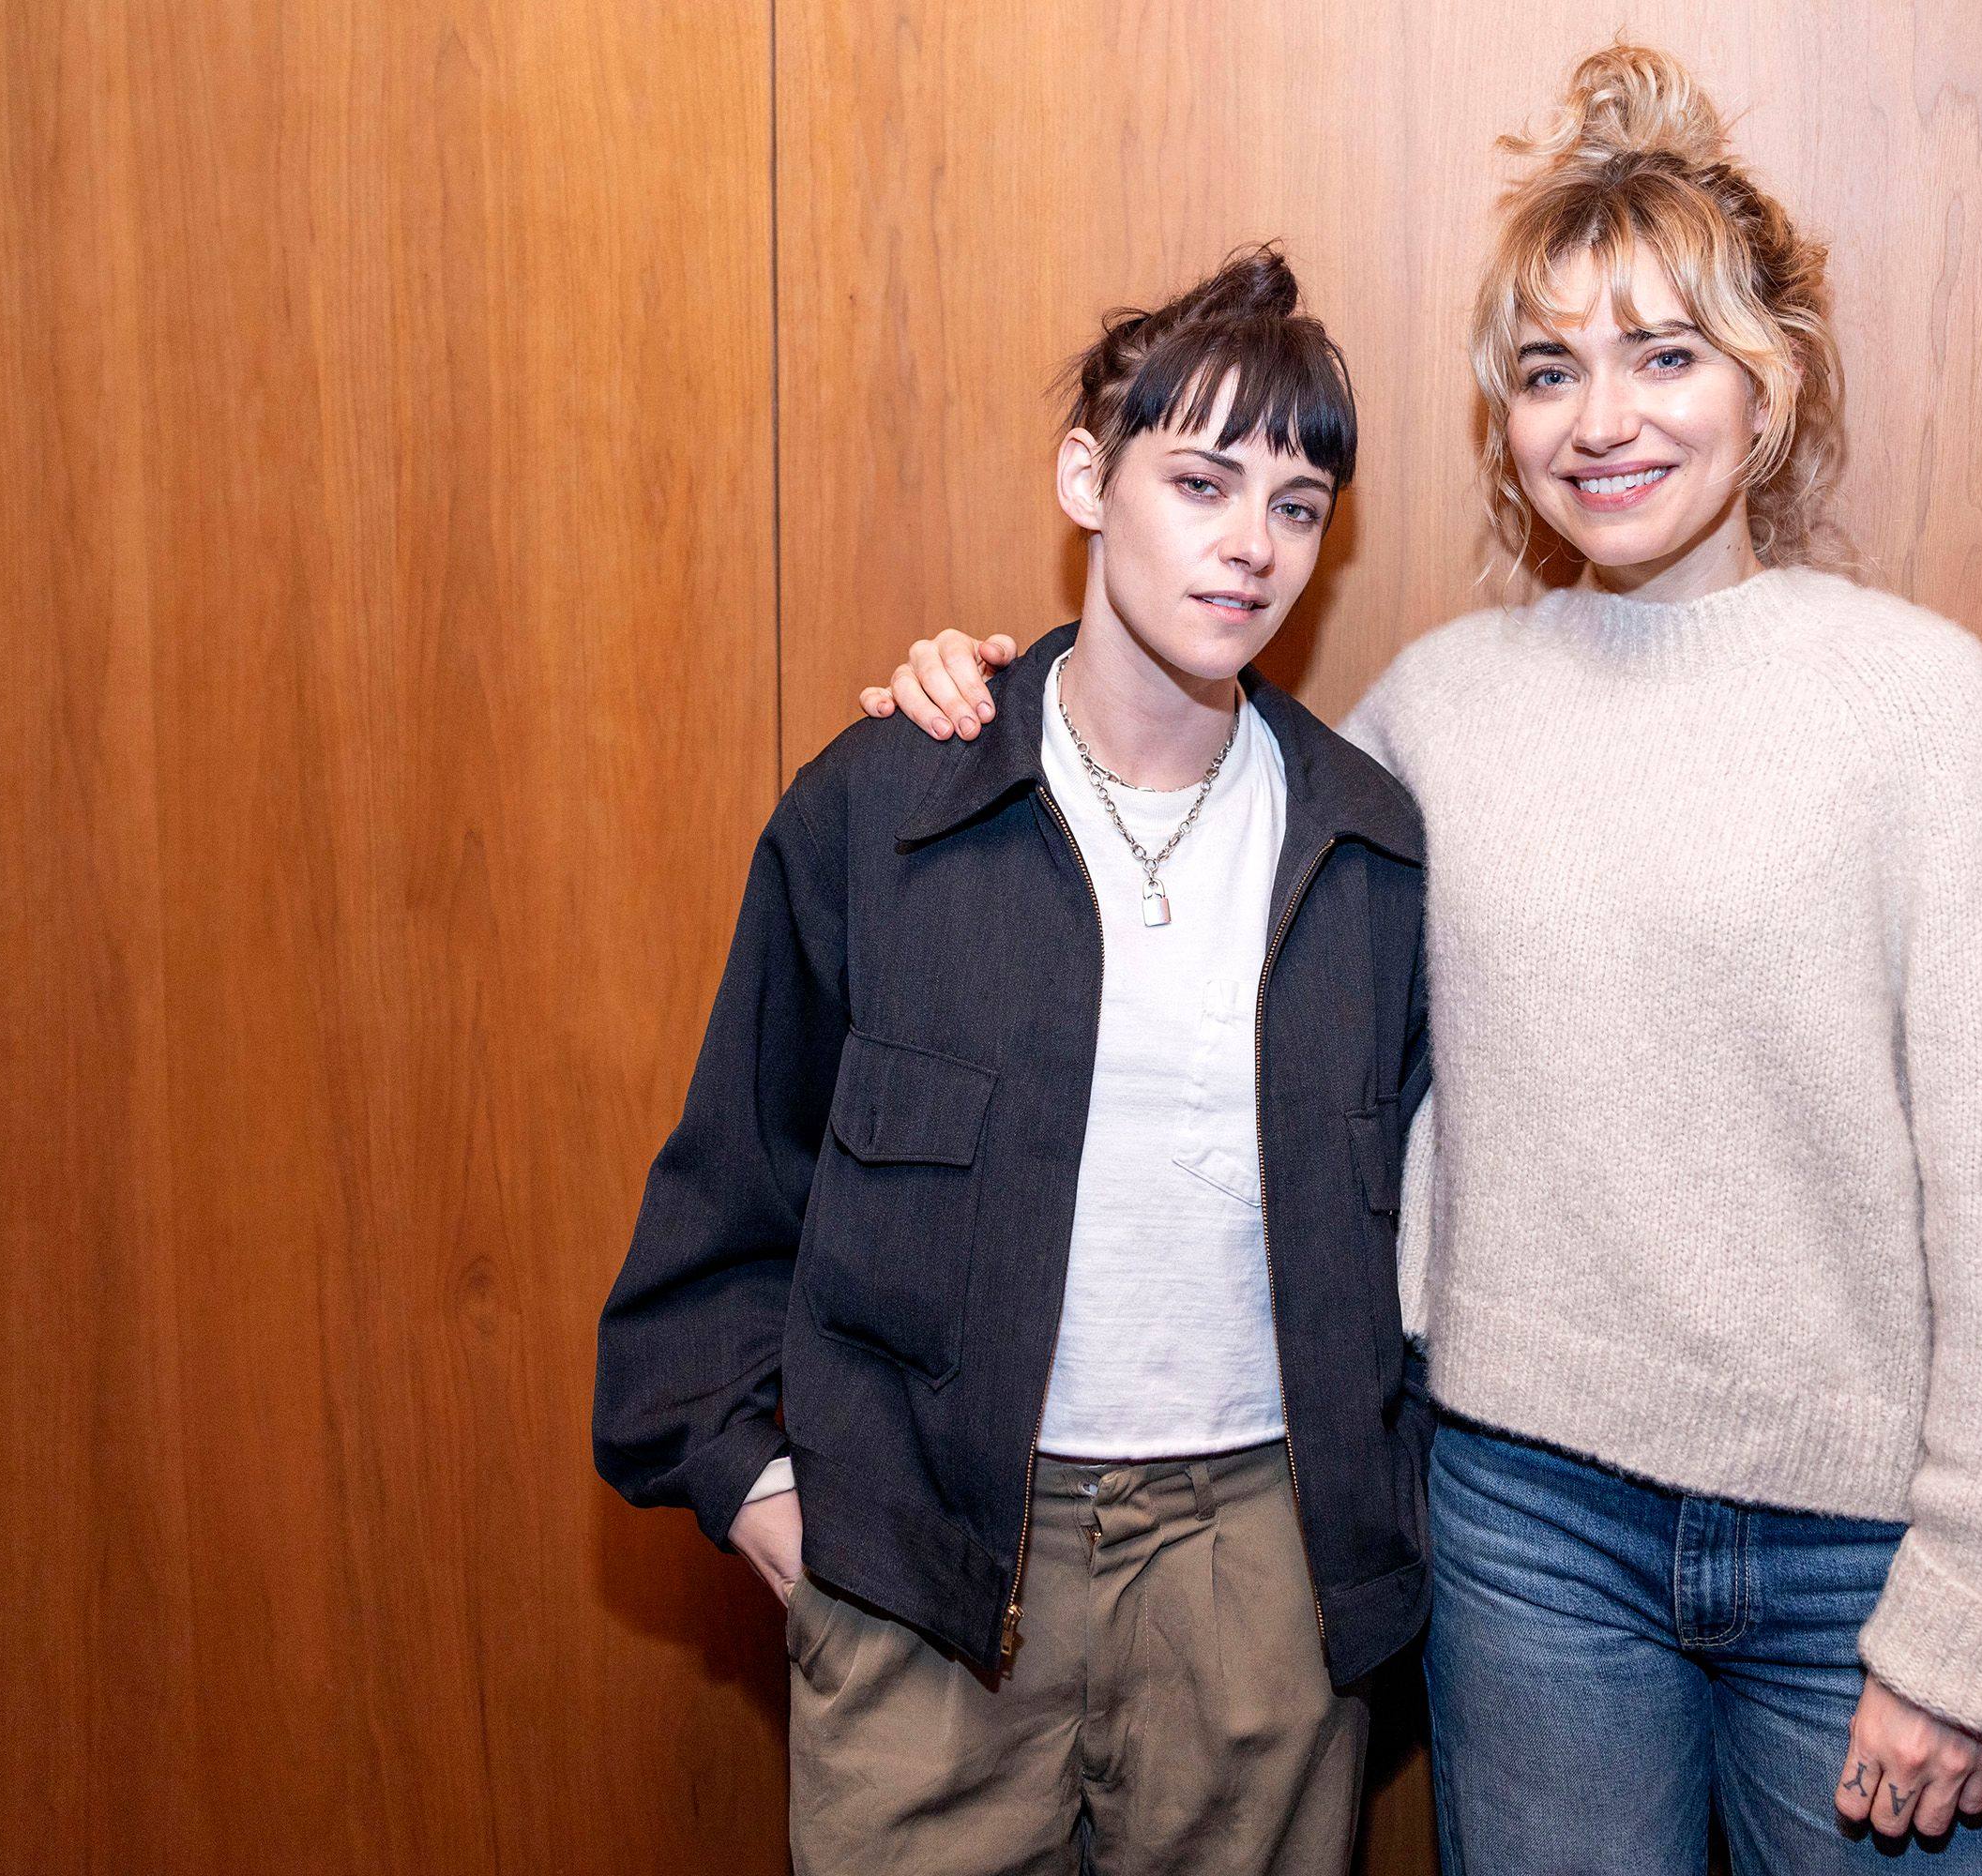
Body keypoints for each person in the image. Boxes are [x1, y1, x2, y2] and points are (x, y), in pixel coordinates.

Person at [860, 44, 1982, 1876]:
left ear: (1770, 379)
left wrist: (1978, 1628)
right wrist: (985, 690)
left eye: (1665, 355)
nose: (1605, 418)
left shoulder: (1928, 717)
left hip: (1870, 1565)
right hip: (1523, 1530)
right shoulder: (1434, 720)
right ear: (1503, 415)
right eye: (1551, 369)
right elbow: (1184, 787)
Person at [593, 247, 1432, 1876]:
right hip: (929, 1575)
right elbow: (732, 1195)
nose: (1250, 546)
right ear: (1086, 481)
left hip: (1260, 1578)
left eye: (1298, 504)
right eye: (1199, 482)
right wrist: (790, 1524)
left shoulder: (1366, 846)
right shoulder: (889, 805)